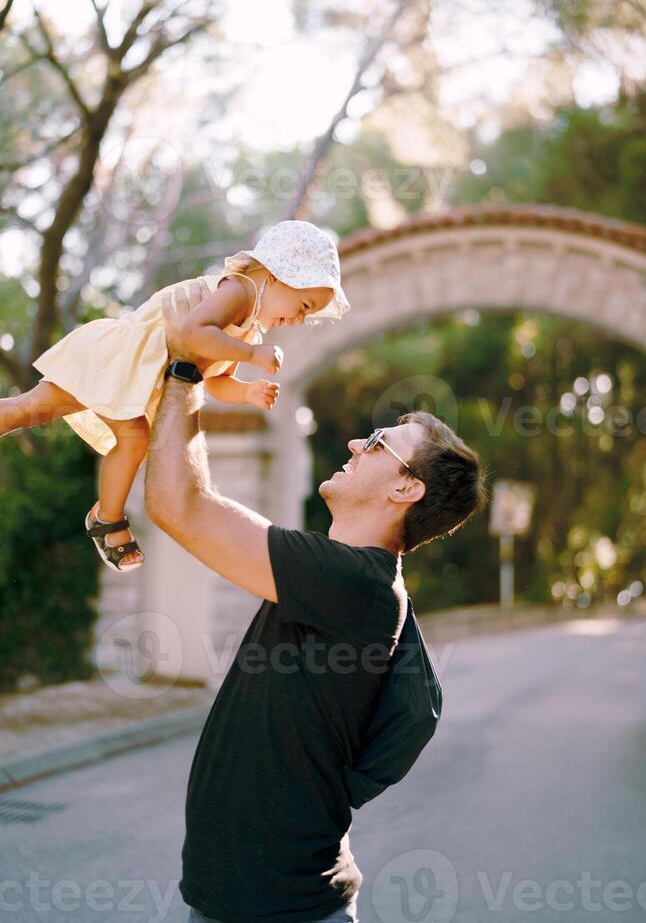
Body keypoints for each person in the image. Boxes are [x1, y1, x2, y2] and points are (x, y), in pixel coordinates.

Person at [143, 291, 487, 923]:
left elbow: (179, 505)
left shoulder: (356, 582)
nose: (357, 442)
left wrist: (185, 366)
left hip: (278, 910)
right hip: (244, 902)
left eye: (380, 442)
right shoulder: (341, 581)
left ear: (406, 487)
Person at [0, 220, 349, 573]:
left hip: (132, 374)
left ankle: (106, 517)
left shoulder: (246, 329)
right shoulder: (238, 290)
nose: (300, 320)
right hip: (119, 358)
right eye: (304, 306)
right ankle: (107, 518)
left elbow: (213, 381)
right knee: (48, 414)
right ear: (275, 275)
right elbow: (196, 333)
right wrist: (251, 356)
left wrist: (247, 391)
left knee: (56, 416)